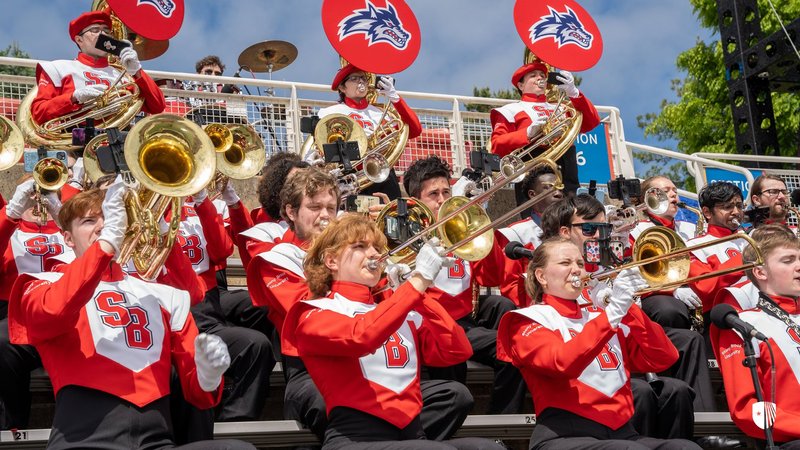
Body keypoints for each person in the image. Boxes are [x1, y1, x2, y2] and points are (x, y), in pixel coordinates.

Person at [7, 186, 253, 449]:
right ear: (67, 238)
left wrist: (208, 375)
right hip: (84, 439)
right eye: (89, 221)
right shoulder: (43, 283)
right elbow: (56, 310)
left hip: (156, 440)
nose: (103, 226)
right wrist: (106, 244)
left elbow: (200, 396)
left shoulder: (163, 296)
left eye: (110, 217)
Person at [282, 213, 504, 450]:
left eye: (377, 247)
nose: (374, 254)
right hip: (354, 438)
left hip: (412, 435)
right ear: (331, 261)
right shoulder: (312, 312)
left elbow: (457, 350)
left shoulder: (397, 309)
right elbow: (361, 337)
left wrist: (419, 298)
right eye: (360, 246)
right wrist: (416, 284)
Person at [496, 237, 701, 450]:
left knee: (685, 448)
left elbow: (663, 357)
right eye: (566, 263)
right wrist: (613, 313)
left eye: (580, 264)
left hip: (623, 433)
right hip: (564, 435)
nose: (576, 270)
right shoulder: (526, 320)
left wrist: (627, 308)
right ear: (541, 276)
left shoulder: (601, 317)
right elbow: (563, 363)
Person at [539, 194, 699, 441]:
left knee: (675, 390)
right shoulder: (547, 274)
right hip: (585, 377)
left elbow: (663, 356)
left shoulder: (608, 267)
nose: (600, 236)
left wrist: (625, 303)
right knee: (641, 392)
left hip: (619, 358)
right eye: (590, 229)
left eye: (604, 228)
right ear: (564, 232)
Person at [402, 155, 527, 414]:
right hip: (433, 323)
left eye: (446, 191)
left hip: (465, 319)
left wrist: (481, 228)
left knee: (511, 330)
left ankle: (501, 422)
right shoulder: (406, 237)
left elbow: (492, 278)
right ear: (416, 201)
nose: (442, 200)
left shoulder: (461, 229)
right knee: (454, 342)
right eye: (433, 194)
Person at [712, 224, 800, 447]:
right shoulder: (743, 325)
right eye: (788, 261)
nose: (799, 266)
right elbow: (747, 409)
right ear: (760, 272)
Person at [0, 178, 68, 429]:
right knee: (1, 342)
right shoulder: (10, 230)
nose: (38, 201)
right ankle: (14, 424)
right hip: (22, 319)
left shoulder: (71, 230)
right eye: (31, 195)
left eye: (46, 194)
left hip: (68, 313)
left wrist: (62, 216)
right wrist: (12, 213)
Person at [31, 10, 165, 125]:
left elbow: (158, 106)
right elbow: (38, 113)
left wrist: (136, 70)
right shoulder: (58, 68)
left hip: (118, 144)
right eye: (95, 30)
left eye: (106, 31)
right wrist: (73, 97)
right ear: (79, 40)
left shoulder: (124, 76)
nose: (103, 35)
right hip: (75, 143)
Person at [489, 59, 601, 197]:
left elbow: (592, 122)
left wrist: (573, 93)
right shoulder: (511, 110)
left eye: (542, 75)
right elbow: (497, 145)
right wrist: (527, 133)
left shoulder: (561, 107)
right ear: (521, 85)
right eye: (533, 75)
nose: (540, 77)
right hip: (532, 174)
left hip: (567, 173)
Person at [313, 64, 424, 200]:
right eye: (354, 78)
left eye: (363, 78)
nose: (360, 81)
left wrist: (394, 96)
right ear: (342, 88)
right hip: (349, 177)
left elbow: (415, 130)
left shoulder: (382, 113)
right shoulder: (330, 112)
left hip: (382, 174)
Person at [495, 164, 564, 307]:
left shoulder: (571, 231)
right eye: (549, 187)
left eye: (559, 187)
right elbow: (510, 288)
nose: (558, 193)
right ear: (533, 195)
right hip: (535, 311)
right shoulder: (514, 233)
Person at [687, 181, 747, 318]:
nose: (736, 212)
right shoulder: (695, 246)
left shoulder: (749, 237)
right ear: (707, 212)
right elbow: (705, 287)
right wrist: (744, 259)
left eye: (739, 206)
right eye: (727, 207)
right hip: (725, 316)